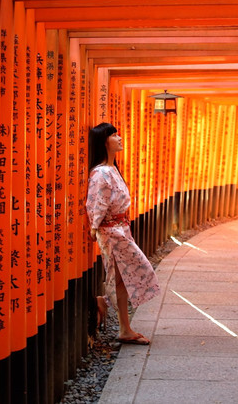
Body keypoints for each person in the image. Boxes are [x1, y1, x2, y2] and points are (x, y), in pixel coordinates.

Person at [85, 122, 160, 345]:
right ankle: (116, 318)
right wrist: (94, 225)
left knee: (121, 278)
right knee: (126, 274)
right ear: (103, 141)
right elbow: (97, 201)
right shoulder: (100, 172)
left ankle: (118, 320)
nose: (119, 138)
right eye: (114, 135)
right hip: (111, 231)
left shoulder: (112, 169)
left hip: (120, 230)